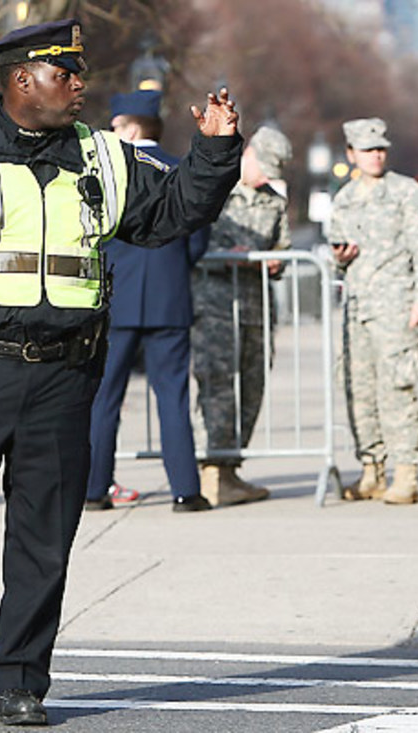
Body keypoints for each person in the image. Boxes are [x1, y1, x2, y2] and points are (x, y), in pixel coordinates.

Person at [0, 18, 242, 728]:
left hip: (65, 377)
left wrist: (213, 150)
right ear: (22, 79)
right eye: (67, 75)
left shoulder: (103, 155)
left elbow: (169, 214)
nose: (80, 86)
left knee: (43, 539)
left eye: (79, 74)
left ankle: (18, 680)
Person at [84, 89, 209, 513]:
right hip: (169, 296)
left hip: (116, 297)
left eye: (116, 125)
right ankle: (185, 491)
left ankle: (94, 488)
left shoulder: (107, 172)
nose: (110, 131)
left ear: (132, 127)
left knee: (104, 398)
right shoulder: (180, 170)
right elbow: (198, 232)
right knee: (172, 396)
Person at [328, 117, 418, 505]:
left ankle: (405, 473)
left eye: (380, 149)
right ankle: (371, 470)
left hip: (395, 304)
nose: (375, 156)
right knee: (359, 391)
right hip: (357, 306)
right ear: (351, 154)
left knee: (396, 389)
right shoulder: (344, 199)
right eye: (367, 150)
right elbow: (333, 255)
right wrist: (339, 258)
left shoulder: (406, 193)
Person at [191, 126, 292, 506]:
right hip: (215, 306)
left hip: (255, 308)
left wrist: (277, 263)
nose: (266, 177)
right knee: (218, 387)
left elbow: (281, 245)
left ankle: (232, 469)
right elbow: (195, 241)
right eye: (263, 167)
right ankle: (212, 470)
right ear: (248, 152)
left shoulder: (274, 203)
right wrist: (224, 254)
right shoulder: (216, 190)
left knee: (251, 387)